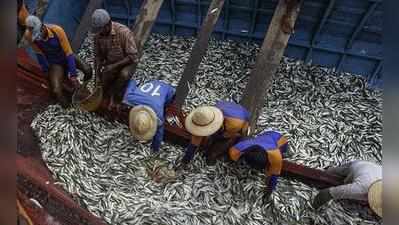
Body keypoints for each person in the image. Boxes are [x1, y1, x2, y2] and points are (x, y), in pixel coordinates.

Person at [24, 15, 92, 107]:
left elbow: (69, 54)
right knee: (56, 91)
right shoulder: (29, 36)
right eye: (36, 37)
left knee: (88, 70)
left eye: (38, 35)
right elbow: (39, 54)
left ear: (43, 27)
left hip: (66, 56)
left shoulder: (57, 30)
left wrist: (73, 75)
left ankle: (83, 87)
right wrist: (46, 71)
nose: (38, 38)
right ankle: (68, 108)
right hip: (55, 64)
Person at [91, 9, 139, 110]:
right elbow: (98, 56)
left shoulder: (123, 32)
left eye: (101, 29)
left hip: (127, 62)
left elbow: (133, 57)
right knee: (101, 81)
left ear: (108, 24)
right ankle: (105, 95)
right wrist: (97, 74)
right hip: (110, 63)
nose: (99, 32)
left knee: (123, 75)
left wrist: (113, 66)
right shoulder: (98, 36)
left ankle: (116, 98)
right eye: (98, 29)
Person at [182, 101, 250, 165]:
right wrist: (187, 157)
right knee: (210, 140)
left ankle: (213, 155)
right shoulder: (206, 114)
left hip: (238, 125)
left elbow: (227, 136)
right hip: (226, 109)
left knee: (221, 144)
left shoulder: (235, 125)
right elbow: (195, 140)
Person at [228, 131, 289, 198]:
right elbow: (232, 155)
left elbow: (274, 176)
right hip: (265, 134)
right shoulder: (238, 148)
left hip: (281, 140)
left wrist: (268, 192)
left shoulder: (276, 156)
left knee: (281, 153)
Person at [312, 160, 382, 218]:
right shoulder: (360, 190)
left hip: (375, 168)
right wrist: (313, 208)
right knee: (332, 172)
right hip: (358, 165)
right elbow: (327, 193)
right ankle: (329, 170)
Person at [123, 79, 175, 152]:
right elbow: (131, 82)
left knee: (168, 101)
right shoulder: (128, 99)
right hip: (153, 82)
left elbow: (131, 82)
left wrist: (155, 149)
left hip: (167, 87)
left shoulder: (159, 115)